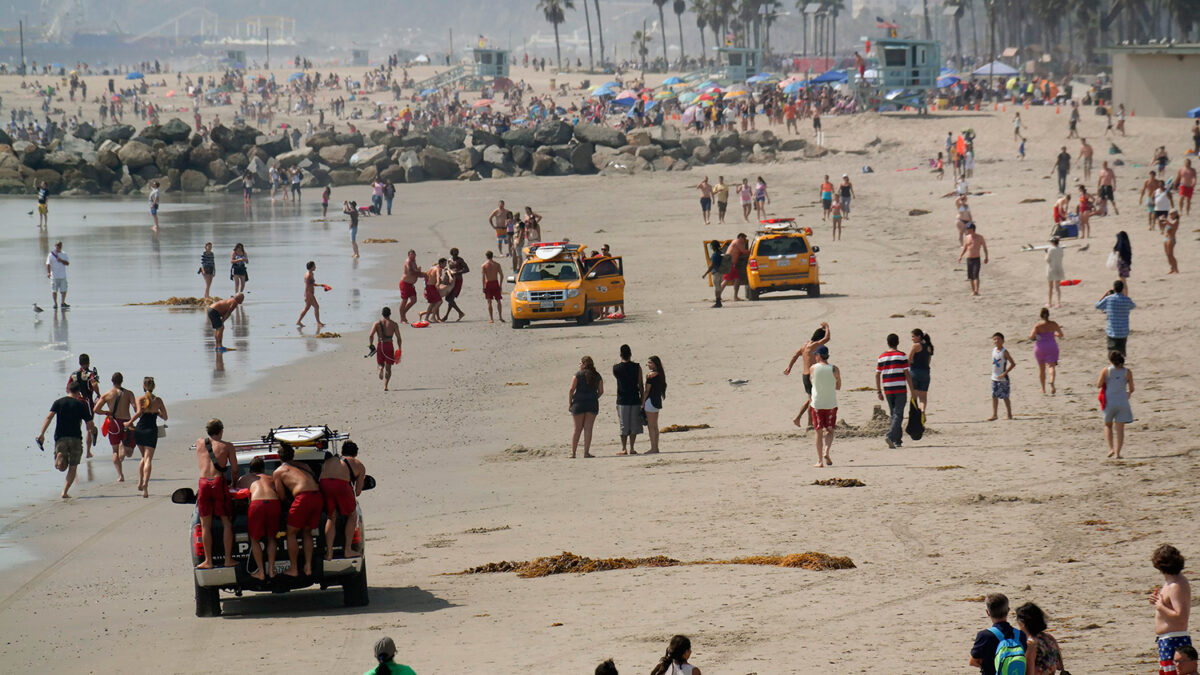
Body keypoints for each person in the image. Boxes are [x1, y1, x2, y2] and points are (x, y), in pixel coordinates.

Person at [36, 378, 97, 499]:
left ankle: (60, 456)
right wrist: (93, 432)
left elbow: (49, 417)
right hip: (75, 439)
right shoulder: (81, 405)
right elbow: (89, 424)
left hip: (61, 438)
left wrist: (42, 433)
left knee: (61, 467)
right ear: (78, 392)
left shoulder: (59, 402)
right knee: (72, 467)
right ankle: (64, 492)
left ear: (68, 389)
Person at [273, 443, 321, 577]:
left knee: (291, 533)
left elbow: (281, 496)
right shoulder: (304, 466)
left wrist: (289, 502)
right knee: (307, 532)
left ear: (279, 457)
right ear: (293, 455)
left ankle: (293, 568)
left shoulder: (279, 471)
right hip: (317, 497)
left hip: (303, 498)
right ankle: (308, 566)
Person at [195, 418, 237, 569]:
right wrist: (234, 483)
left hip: (203, 482)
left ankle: (208, 561)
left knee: (205, 524)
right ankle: (227, 559)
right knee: (226, 522)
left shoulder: (200, 443)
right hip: (218, 482)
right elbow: (235, 469)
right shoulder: (227, 446)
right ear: (221, 430)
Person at [320, 439, 364, 561]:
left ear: (342, 451)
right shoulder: (358, 464)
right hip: (341, 486)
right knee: (352, 515)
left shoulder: (330, 461)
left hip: (325, 484)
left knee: (331, 517)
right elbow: (358, 492)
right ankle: (348, 550)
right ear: (356, 453)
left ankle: (329, 553)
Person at [237, 456, 280, 581]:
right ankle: (271, 570)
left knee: (255, 540)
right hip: (273, 503)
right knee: (272, 538)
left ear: (250, 469)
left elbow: (238, 495)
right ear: (263, 468)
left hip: (256, 504)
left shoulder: (244, 479)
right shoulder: (270, 478)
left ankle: (261, 572)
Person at [1151, 544, 1192, 675]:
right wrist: (1157, 602)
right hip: (1166, 640)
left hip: (1174, 640)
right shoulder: (1170, 583)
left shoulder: (1176, 585)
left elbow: (1181, 616)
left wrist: (1160, 606)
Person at [125, 377, 167, 498]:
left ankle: (139, 481)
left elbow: (138, 413)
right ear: (154, 386)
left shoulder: (140, 399)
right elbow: (165, 417)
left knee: (143, 457)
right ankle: (145, 486)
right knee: (148, 459)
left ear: (143, 386)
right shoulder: (158, 400)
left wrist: (129, 423)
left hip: (140, 430)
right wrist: (157, 413)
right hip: (151, 431)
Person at [784, 322, 832, 427]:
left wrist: (789, 367)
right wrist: (827, 327)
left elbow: (795, 356)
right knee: (813, 400)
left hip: (805, 376)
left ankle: (798, 418)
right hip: (811, 376)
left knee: (811, 398)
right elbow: (827, 338)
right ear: (819, 338)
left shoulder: (804, 346)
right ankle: (810, 424)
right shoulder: (814, 345)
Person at [969, 593, 1028, 675]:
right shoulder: (1020, 635)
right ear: (1008, 610)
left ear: (988, 612)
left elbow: (972, 661)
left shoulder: (984, 635)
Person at [94, 372, 136, 480]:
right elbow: (136, 408)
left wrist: (106, 412)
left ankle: (120, 475)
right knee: (129, 451)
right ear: (122, 381)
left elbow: (96, 410)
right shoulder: (129, 393)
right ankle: (123, 448)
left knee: (114, 451)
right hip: (126, 422)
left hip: (114, 423)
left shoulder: (107, 394)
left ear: (112, 381)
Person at [876, 334, 913, 449]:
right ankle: (891, 435)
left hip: (887, 388)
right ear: (898, 342)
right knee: (898, 414)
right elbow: (907, 374)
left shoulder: (882, 356)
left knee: (894, 414)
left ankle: (898, 440)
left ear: (888, 342)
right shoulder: (902, 356)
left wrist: (879, 391)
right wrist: (912, 390)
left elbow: (877, 374)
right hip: (900, 388)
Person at [1098, 350, 1134, 459]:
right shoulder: (1127, 372)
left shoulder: (1106, 371)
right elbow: (1132, 389)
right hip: (1122, 401)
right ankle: (1118, 453)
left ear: (1110, 360)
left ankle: (1111, 448)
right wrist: (1127, 394)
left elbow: (1098, 385)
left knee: (1108, 425)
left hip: (1109, 401)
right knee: (1120, 429)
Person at [809, 345, 840, 467]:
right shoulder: (834, 369)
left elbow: (812, 382)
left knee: (818, 431)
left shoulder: (813, 368)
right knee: (830, 430)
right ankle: (826, 451)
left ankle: (820, 460)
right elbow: (838, 386)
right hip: (831, 403)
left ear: (819, 356)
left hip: (817, 403)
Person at [1014, 602, 1065, 675]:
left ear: (1022, 623)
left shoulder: (1031, 644)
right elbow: (1059, 666)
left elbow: (1028, 673)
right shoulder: (1050, 638)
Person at [568, 356, 603, 459]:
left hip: (578, 403)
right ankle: (586, 452)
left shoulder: (577, 375)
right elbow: (601, 391)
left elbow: (571, 389)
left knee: (577, 429)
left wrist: (570, 403)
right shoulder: (597, 375)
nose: (579, 365)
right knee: (588, 429)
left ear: (583, 364)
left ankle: (573, 453)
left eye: (580, 363)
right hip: (592, 403)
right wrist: (594, 397)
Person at [67, 354, 100, 458]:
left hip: (75, 402)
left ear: (79, 363)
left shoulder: (73, 375)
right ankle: (88, 452)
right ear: (88, 362)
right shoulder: (91, 374)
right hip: (87, 402)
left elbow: (68, 388)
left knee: (76, 426)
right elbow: (94, 385)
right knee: (89, 427)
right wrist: (98, 394)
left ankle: (73, 451)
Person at [612, 344, 643, 455]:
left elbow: (617, 377)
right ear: (630, 354)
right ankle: (632, 448)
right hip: (635, 397)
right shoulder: (637, 367)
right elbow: (640, 384)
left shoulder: (616, 368)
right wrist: (642, 399)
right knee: (634, 424)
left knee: (623, 424)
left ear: (620, 354)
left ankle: (624, 448)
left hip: (622, 399)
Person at [1028, 308, 1064, 396]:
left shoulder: (1038, 326)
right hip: (1052, 346)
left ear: (1040, 315)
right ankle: (1051, 381)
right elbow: (1061, 334)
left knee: (1041, 369)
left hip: (1040, 347)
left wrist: (1038, 336)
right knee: (1051, 366)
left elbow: (1031, 337)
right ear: (1048, 315)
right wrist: (1054, 334)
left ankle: (1043, 388)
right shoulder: (1054, 324)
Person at [1096, 279, 1135, 356]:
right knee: (1121, 354)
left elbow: (1097, 305)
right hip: (1123, 332)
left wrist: (1105, 294)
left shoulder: (1109, 299)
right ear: (1122, 289)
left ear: (1114, 288)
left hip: (1112, 331)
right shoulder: (1127, 300)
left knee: (1112, 354)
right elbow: (1132, 306)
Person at [368, 307, 401, 390]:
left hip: (380, 345)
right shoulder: (394, 324)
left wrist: (371, 345)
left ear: (382, 314)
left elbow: (371, 335)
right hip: (389, 345)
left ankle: (380, 368)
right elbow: (398, 338)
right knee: (389, 368)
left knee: (380, 362)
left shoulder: (377, 323)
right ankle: (385, 386)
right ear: (390, 314)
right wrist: (400, 348)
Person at [641, 355, 666, 455]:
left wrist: (642, 403)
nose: (648, 365)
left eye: (650, 363)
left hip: (650, 401)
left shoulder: (650, 375)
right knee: (655, 426)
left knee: (651, 426)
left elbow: (647, 391)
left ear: (655, 363)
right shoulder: (660, 374)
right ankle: (655, 447)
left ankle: (654, 447)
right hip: (657, 401)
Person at [988, 333, 1016, 421]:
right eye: (995, 339)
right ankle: (994, 414)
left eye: (998, 339)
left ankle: (1009, 414)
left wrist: (1005, 373)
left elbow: (1013, 363)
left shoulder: (1005, 351)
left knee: (1005, 396)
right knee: (994, 396)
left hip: (1003, 379)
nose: (996, 341)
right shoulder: (993, 350)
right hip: (994, 377)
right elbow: (995, 362)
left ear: (1003, 341)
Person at [957, 223, 989, 296]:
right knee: (971, 276)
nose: (968, 230)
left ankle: (976, 290)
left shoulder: (980, 237)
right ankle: (973, 291)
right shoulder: (967, 237)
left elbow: (984, 248)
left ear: (973, 229)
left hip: (976, 259)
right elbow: (965, 248)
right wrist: (961, 256)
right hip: (969, 259)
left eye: (969, 229)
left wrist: (986, 257)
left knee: (976, 275)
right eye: (967, 229)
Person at [441, 247, 469, 322]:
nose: (455, 254)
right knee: (450, 298)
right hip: (450, 280)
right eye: (454, 253)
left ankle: (457, 313)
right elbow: (449, 269)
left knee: (449, 298)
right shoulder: (449, 260)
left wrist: (457, 272)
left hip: (458, 280)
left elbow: (467, 269)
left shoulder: (460, 260)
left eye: (456, 253)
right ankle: (454, 314)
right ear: (451, 253)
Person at [417, 259, 447, 323]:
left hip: (428, 286)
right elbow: (438, 276)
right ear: (441, 263)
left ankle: (426, 318)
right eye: (445, 263)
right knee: (439, 301)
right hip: (432, 287)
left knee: (432, 303)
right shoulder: (438, 269)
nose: (445, 265)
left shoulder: (432, 267)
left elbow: (426, 275)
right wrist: (438, 283)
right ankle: (433, 317)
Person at [722, 233, 750, 302]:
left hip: (731, 264)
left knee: (737, 279)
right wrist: (752, 252)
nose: (744, 240)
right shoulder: (737, 242)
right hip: (729, 263)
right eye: (744, 239)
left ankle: (735, 297)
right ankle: (718, 296)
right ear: (740, 237)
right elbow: (743, 251)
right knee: (726, 280)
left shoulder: (736, 242)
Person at [297, 261, 324, 328]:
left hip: (309, 293)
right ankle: (318, 322)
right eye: (314, 266)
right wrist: (320, 285)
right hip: (309, 293)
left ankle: (299, 321)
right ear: (311, 267)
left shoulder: (311, 273)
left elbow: (312, 284)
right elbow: (310, 284)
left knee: (307, 308)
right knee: (316, 307)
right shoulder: (308, 275)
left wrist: (321, 285)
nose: (315, 267)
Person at [480, 251, 504, 323]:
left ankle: (491, 319)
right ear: (492, 256)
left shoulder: (484, 265)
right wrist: (500, 285)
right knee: (498, 300)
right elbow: (502, 275)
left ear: (486, 256)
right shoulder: (497, 265)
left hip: (488, 283)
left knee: (489, 301)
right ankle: (500, 317)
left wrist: (483, 286)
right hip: (495, 282)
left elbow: (483, 277)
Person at [398, 250, 422, 323]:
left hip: (411, 285)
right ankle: (402, 318)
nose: (413, 256)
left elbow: (415, 271)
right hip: (405, 283)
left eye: (414, 255)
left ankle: (403, 313)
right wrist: (420, 273)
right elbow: (411, 272)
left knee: (413, 300)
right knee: (404, 300)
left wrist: (418, 271)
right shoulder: (408, 262)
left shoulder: (414, 261)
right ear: (408, 255)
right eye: (411, 255)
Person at [46, 240, 69, 309]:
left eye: (60, 245)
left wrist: (61, 260)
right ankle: (55, 303)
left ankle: (62, 302)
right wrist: (48, 272)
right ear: (55, 246)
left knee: (64, 290)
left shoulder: (64, 254)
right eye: (58, 245)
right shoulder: (51, 255)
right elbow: (48, 264)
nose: (59, 247)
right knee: (54, 290)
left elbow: (67, 263)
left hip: (62, 275)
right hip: (54, 276)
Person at [701, 240, 725, 308]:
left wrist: (705, 274)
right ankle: (719, 301)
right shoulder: (721, 253)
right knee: (719, 287)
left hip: (716, 273)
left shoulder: (715, 255)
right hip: (722, 273)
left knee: (717, 288)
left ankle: (718, 303)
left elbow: (711, 266)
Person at [1045, 237, 1065, 308]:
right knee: (1057, 287)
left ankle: (1049, 302)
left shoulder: (1050, 249)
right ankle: (1058, 303)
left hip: (1051, 269)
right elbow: (1061, 256)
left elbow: (1047, 260)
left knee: (1050, 287)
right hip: (1059, 269)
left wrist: (1046, 253)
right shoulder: (1061, 249)